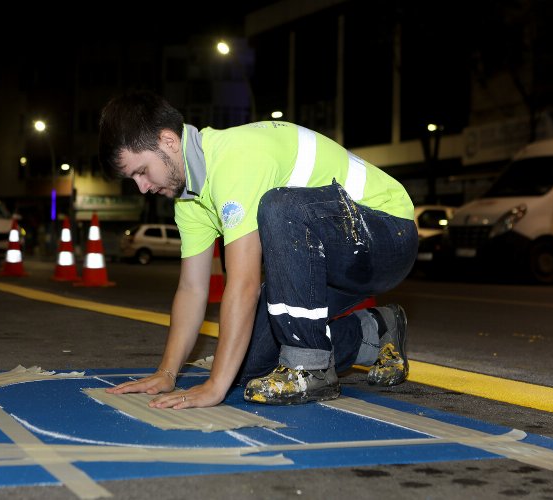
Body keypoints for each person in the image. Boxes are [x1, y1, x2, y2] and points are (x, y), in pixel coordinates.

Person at [99, 90, 418, 408]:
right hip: (329, 261)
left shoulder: (235, 158)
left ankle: (308, 366)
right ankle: (375, 332)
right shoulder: (189, 199)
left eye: (141, 171)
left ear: (168, 141)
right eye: (133, 180)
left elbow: (244, 284)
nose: (142, 187)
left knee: (279, 207)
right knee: (247, 365)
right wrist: (167, 372)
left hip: (387, 234)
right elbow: (192, 289)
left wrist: (214, 387)